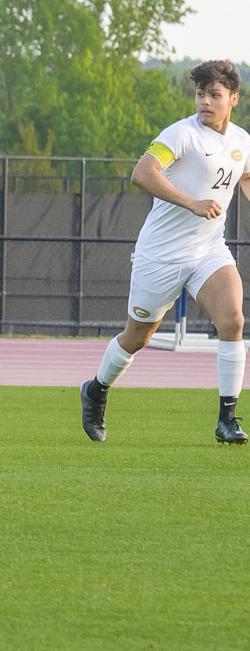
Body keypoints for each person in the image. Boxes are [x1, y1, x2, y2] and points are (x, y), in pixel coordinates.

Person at [81, 59, 249, 444]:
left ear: (233, 99)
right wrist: (191, 202)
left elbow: (245, 176)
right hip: (161, 255)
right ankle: (96, 390)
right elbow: (142, 173)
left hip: (208, 250)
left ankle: (227, 420)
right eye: (200, 93)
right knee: (137, 338)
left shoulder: (242, 142)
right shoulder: (180, 134)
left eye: (214, 94)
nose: (204, 101)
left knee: (234, 321)